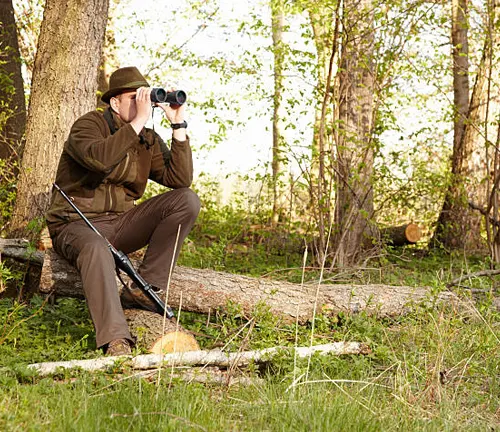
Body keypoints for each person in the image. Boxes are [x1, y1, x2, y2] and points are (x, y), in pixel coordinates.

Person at [46, 66, 200, 356]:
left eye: (145, 98)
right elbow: (100, 160)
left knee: (186, 200)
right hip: (75, 224)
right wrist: (139, 121)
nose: (142, 103)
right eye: (134, 97)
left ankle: (146, 287)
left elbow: (179, 180)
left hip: (120, 223)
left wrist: (178, 126)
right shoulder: (88, 126)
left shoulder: (147, 139)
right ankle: (116, 340)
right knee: (96, 247)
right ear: (115, 102)